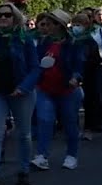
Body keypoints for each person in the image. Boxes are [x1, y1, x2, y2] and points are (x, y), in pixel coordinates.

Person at [0, 1, 39, 185]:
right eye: (0, 15)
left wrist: (24, 87)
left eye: (7, 15)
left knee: (24, 133)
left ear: (15, 17)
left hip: (20, 91)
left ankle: (23, 170)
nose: (3, 18)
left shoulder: (25, 39)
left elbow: (35, 68)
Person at [32, 10, 84, 170]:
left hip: (67, 90)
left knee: (69, 122)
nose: (47, 26)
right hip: (45, 89)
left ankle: (71, 155)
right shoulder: (43, 42)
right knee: (45, 120)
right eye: (46, 23)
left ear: (59, 26)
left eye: (51, 23)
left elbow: (80, 64)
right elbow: (35, 62)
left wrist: (76, 77)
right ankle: (42, 155)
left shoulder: (74, 43)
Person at [72, 12, 102, 141]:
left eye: (78, 25)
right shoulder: (71, 40)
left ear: (86, 25)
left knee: (89, 103)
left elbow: (96, 60)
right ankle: (73, 128)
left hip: (89, 75)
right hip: (74, 75)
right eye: (74, 24)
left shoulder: (90, 42)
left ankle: (88, 128)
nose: (75, 27)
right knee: (72, 104)